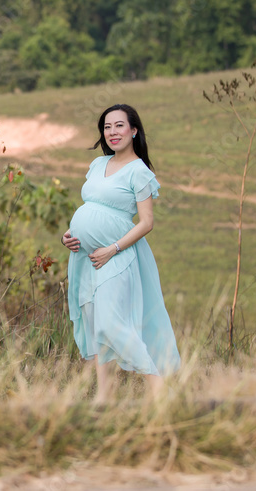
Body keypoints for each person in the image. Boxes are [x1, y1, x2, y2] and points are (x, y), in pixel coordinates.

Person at [61, 103, 180, 401]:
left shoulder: (139, 172)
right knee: (95, 323)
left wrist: (111, 249)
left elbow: (147, 222)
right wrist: (70, 235)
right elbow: (92, 207)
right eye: (106, 127)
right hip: (86, 258)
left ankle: (159, 390)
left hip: (116, 257)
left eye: (119, 126)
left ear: (133, 130)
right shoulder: (98, 165)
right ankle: (104, 397)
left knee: (112, 323)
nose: (112, 132)